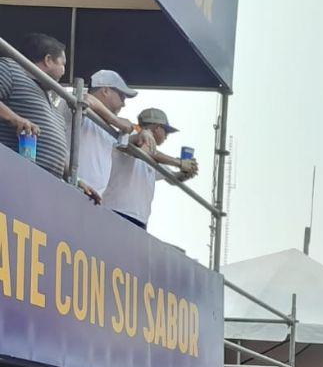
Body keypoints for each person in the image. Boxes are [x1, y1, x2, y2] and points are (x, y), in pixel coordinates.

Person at [104, 106, 199, 227]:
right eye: (166, 131)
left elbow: (171, 178)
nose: (166, 136)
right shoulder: (132, 134)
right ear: (157, 127)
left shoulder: (155, 155)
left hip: (139, 218)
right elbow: (144, 150)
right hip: (116, 209)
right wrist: (179, 162)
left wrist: (186, 174)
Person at [0, 34, 70, 180]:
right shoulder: (10, 69)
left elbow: (56, 153)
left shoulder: (53, 105)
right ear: (48, 60)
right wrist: (15, 119)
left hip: (43, 187)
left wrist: (77, 181)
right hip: (12, 179)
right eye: (62, 63)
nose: (64, 71)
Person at [73, 69, 140, 200]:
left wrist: (143, 134)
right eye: (122, 97)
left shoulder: (109, 125)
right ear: (105, 91)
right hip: (72, 186)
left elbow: (128, 142)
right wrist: (117, 121)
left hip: (94, 197)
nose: (124, 104)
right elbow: (87, 99)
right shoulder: (77, 99)